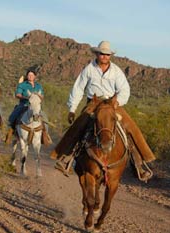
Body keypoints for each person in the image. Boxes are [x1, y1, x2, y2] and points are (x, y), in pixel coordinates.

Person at [50, 41, 156, 182]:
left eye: (107, 54)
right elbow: (78, 88)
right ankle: (66, 158)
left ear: (110, 55)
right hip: (93, 104)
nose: (104, 56)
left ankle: (140, 164)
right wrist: (72, 109)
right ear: (97, 54)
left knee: (131, 127)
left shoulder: (116, 71)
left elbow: (124, 89)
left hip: (112, 103)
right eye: (102, 54)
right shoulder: (89, 69)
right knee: (78, 125)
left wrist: (117, 102)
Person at [5, 68, 52, 145]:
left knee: (45, 118)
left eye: (32, 75)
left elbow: (42, 97)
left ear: (35, 76)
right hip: (24, 104)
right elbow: (18, 94)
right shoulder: (22, 85)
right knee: (13, 115)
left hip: (36, 106)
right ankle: (10, 134)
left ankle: (45, 135)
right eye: (29, 75)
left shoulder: (38, 86)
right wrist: (27, 98)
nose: (30, 76)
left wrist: (38, 95)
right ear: (27, 76)